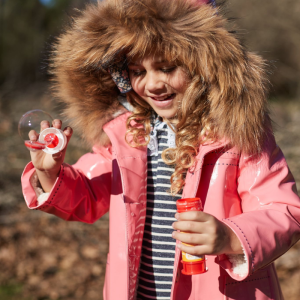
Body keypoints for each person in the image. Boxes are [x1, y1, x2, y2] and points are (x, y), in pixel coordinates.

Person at [21, 0, 300, 299]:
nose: (152, 84)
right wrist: (50, 174)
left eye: (166, 68)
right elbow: (88, 196)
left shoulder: (237, 133)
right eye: (137, 71)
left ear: (203, 64)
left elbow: (283, 210)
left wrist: (231, 236)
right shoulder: (128, 133)